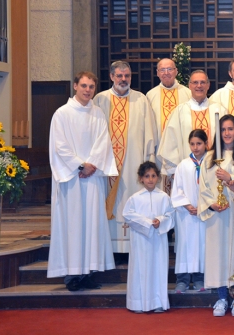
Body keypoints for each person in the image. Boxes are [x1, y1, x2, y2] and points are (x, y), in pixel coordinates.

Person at [47, 71, 118, 291]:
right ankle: (72, 276)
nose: (88, 90)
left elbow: (103, 143)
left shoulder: (97, 113)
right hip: (71, 180)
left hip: (92, 178)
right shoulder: (62, 114)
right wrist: (80, 165)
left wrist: (91, 166)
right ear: (75, 86)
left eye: (91, 87)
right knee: (72, 226)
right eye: (84, 86)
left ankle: (88, 272)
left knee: (92, 225)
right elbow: (60, 146)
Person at [94, 60, 157, 254]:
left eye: (127, 76)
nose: (123, 79)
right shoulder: (100, 100)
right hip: (107, 165)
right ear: (111, 76)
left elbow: (150, 134)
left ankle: (133, 247)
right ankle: (110, 249)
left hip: (134, 164)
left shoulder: (141, 100)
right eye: (119, 76)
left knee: (132, 199)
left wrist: (149, 162)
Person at [198, 115, 234, 318]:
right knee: (219, 256)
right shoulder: (209, 158)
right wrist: (211, 204)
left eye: (230, 129)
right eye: (223, 130)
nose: (227, 133)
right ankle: (221, 297)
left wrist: (233, 182)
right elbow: (203, 186)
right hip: (218, 218)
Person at [123, 161, 174, 313]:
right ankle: (138, 303)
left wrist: (161, 221)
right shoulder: (134, 198)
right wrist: (147, 223)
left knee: (158, 268)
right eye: (147, 176)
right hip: (141, 240)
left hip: (158, 240)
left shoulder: (164, 197)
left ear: (158, 177)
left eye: (153, 176)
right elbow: (128, 215)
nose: (150, 179)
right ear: (141, 178)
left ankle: (158, 302)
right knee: (140, 269)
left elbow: (170, 215)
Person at [158, 70, 224, 176]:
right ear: (189, 85)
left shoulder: (219, 110)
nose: (199, 86)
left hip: (214, 171)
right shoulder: (180, 111)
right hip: (187, 172)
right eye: (195, 82)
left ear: (208, 85)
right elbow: (170, 142)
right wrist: (176, 170)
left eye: (202, 82)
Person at [171, 129, 209, 294]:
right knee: (185, 246)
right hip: (186, 215)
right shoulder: (183, 165)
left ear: (206, 144)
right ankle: (183, 280)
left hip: (204, 213)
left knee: (202, 246)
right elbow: (177, 190)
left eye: (199, 143)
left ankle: (201, 278)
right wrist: (187, 205)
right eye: (192, 144)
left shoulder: (210, 164)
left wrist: (203, 206)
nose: (195, 147)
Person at [146, 58, 191, 193]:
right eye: (162, 70)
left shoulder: (187, 93)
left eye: (170, 69)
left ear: (176, 71)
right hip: (160, 152)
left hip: (183, 150)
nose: (166, 73)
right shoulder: (150, 95)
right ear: (157, 73)